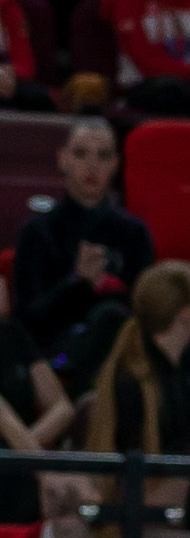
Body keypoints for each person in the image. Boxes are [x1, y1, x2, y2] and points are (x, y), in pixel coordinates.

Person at [84, 262, 190, 534]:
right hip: (140, 495)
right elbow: (143, 460)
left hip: (181, 486)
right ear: (186, 313)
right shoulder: (132, 378)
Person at [11, 117, 155, 390]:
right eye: (80, 154)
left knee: (112, 320)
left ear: (115, 164)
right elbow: (28, 320)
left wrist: (107, 285)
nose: (92, 165)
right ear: (62, 159)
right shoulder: (37, 232)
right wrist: (77, 283)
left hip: (121, 353)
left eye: (103, 156)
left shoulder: (134, 234)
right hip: (58, 356)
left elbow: (146, 311)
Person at [0, 284, 75, 526]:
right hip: (26, 461)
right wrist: (42, 469)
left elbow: (62, 408)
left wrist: (21, 451)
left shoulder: (13, 334)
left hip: (20, 461)